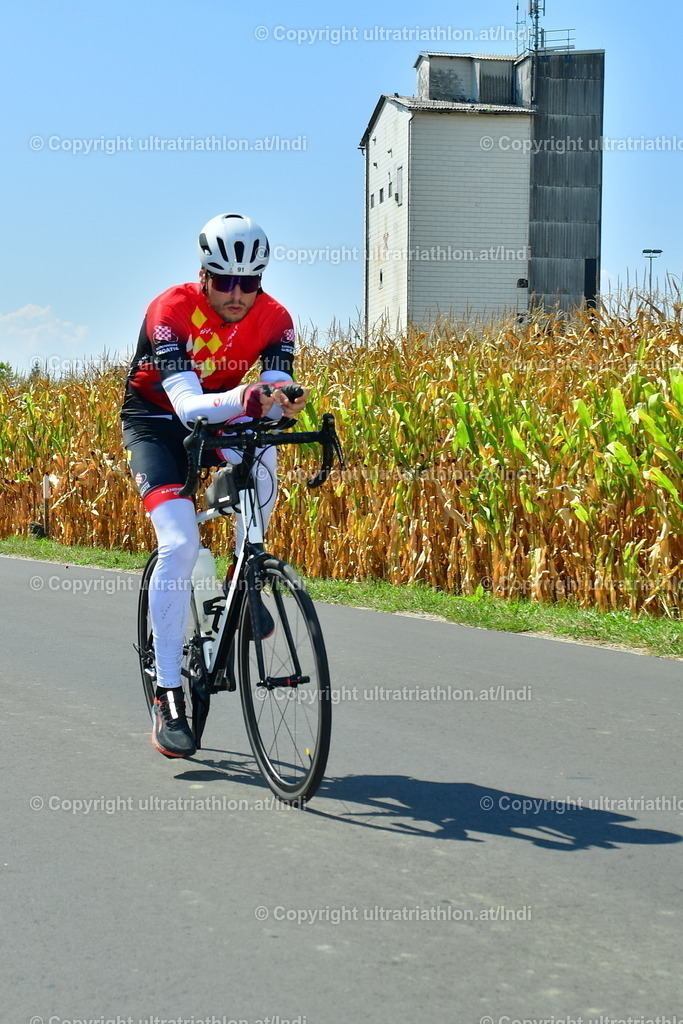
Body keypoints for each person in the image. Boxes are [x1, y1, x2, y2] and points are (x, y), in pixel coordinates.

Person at [120, 213, 307, 759]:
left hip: (223, 414)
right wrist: (250, 399)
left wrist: (283, 398)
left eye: (249, 283)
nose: (236, 294)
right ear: (203, 274)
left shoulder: (276, 319)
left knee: (266, 455)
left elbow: (272, 390)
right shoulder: (170, 311)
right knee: (179, 544)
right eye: (224, 281)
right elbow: (184, 405)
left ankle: (239, 587)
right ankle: (169, 692)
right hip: (157, 421)